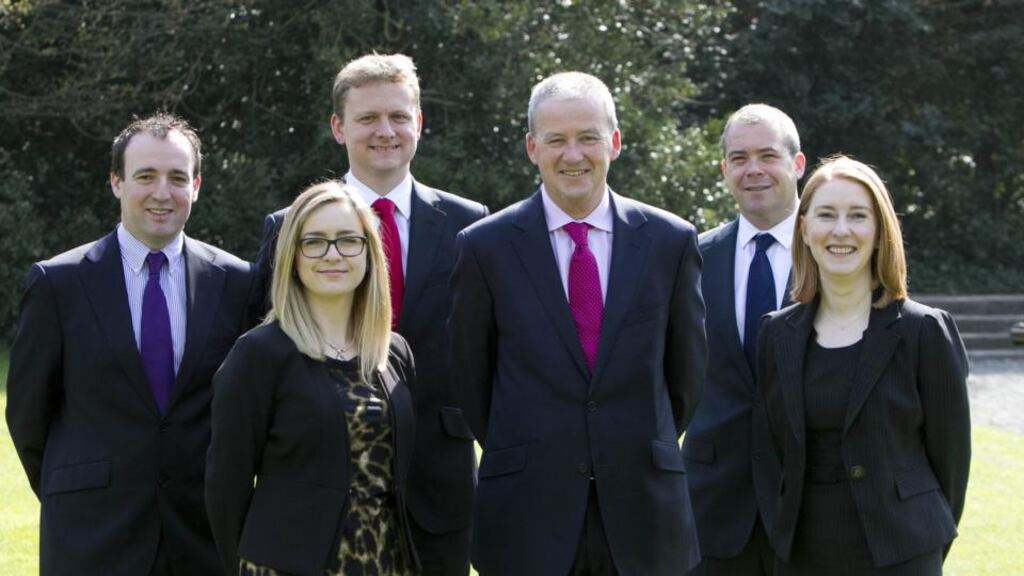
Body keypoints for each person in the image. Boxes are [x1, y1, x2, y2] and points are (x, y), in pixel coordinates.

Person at [448, 71, 707, 576]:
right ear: (531, 147)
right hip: (527, 511)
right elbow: (471, 381)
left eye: (588, 137)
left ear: (613, 141)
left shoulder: (669, 242)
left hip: (642, 511)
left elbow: (687, 378)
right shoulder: (484, 248)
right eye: (556, 140)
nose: (573, 154)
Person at [252, 53, 488, 575]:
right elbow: (263, 352)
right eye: (367, 118)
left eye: (399, 117)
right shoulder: (289, 229)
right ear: (339, 128)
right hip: (320, 487)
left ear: (419, 124)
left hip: (439, 487)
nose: (386, 131)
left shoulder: (472, 228)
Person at [5, 112, 254, 575]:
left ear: (196, 185)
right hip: (91, 534)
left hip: (204, 535)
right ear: (116, 182)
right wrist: (79, 488)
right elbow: (26, 414)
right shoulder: (58, 284)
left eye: (178, 177)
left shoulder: (238, 283)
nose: (163, 192)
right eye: (146, 176)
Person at [753, 156, 971, 575]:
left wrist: (923, 542)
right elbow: (768, 453)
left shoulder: (922, 330)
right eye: (826, 215)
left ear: (879, 231)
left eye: (857, 216)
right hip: (801, 553)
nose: (841, 230)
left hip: (902, 552)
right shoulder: (776, 334)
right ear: (805, 228)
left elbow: (952, 459)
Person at [206, 181, 418, 575]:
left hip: (387, 562)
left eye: (348, 240)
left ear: (370, 253)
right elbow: (225, 487)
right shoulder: (259, 354)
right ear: (293, 257)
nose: (332, 255)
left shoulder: (394, 353)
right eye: (315, 242)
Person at [683, 104, 806, 576]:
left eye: (767, 155)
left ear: (797, 164)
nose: (753, 169)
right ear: (724, 170)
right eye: (738, 158)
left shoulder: (837, 251)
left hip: (810, 507)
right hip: (711, 509)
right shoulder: (691, 256)